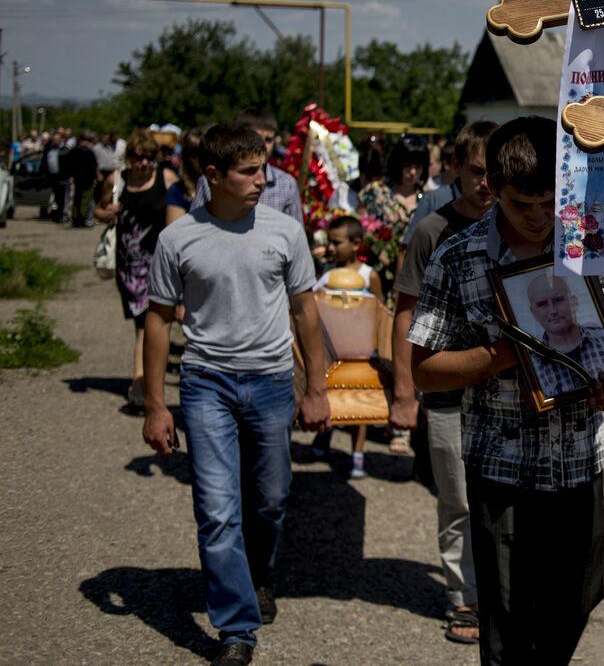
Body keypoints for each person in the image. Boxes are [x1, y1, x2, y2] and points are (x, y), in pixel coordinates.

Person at [408, 116, 604, 665]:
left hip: (580, 462)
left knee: (578, 599)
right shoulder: (458, 256)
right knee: (509, 625)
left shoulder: (592, 241)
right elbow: (424, 368)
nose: (538, 219)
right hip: (504, 471)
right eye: (521, 205)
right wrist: (503, 353)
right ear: (493, 189)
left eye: (547, 203)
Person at [141, 122, 331, 666]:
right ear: (213, 176)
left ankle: (257, 572)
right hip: (206, 385)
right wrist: (157, 405)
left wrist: (315, 388)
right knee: (217, 509)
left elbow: (305, 313)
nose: (261, 180)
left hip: (272, 382)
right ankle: (236, 629)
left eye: (262, 168)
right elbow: (158, 321)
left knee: (269, 499)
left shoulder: (283, 231)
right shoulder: (178, 239)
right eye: (248, 172)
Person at [391, 120, 495, 644]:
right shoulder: (432, 229)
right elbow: (404, 312)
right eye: (476, 171)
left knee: (502, 503)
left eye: (493, 171)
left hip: (505, 395)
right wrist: (405, 393)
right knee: (456, 499)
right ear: (455, 169)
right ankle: (465, 598)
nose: (486, 182)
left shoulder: (520, 225)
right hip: (446, 391)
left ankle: (505, 591)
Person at [96, 127, 180, 411]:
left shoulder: (167, 180)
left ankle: (143, 381)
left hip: (161, 264)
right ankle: (141, 381)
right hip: (129, 267)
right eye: (138, 157)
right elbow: (99, 208)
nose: (144, 163)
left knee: (155, 323)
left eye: (149, 158)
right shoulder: (117, 180)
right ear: (129, 157)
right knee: (143, 324)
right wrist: (106, 213)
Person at [309, 215, 383, 480]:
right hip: (333, 350)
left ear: (356, 244)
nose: (330, 248)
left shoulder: (368, 275)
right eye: (329, 243)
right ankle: (323, 434)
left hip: (361, 351)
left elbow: (378, 309)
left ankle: (358, 453)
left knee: (359, 402)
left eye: (336, 243)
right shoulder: (327, 275)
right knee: (329, 395)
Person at [191, 108, 301, 223]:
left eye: (269, 140)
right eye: (256, 138)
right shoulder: (213, 180)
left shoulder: (286, 184)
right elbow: (195, 224)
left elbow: (295, 233)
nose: (262, 145)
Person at [522, 274, 604, 401]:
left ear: (574, 302)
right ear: (533, 312)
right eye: (542, 304)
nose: (553, 310)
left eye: (558, 300)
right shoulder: (533, 363)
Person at [357, 135, 428, 295]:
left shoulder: (428, 198)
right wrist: (376, 249)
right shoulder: (375, 191)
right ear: (397, 164)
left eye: (418, 167)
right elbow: (357, 227)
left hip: (413, 279)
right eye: (407, 166)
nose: (412, 172)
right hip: (376, 275)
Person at [166, 124, 209, 225]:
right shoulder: (177, 190)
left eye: (204, 152)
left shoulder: (225, 187)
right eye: (194, 153)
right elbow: (174, 235)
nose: (200, 158)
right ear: (187, 157)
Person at [65, 130, 101, 228]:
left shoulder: (76, 151)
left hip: (83, 179)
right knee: (82, 200)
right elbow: (93, 166)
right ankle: (80, 219)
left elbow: (93, 166)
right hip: (83, 179)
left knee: (80, 200)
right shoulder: (86, 152)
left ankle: (78, 219)